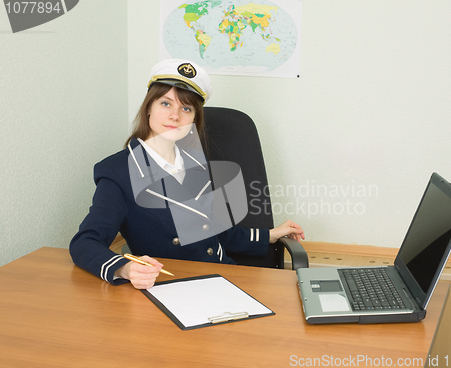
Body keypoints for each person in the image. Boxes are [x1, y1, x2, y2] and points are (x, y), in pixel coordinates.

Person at [69, 59, 305, 289]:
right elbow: (85, 242)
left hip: (223, 277)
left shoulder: (195, 163)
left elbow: (216, 234)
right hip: (171, 286)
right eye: (165, 103)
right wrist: (124, 268)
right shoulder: (118, 171)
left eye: (186, 108)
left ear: (194, 118)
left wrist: (271, 234)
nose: (175, 116)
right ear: (148, 108)